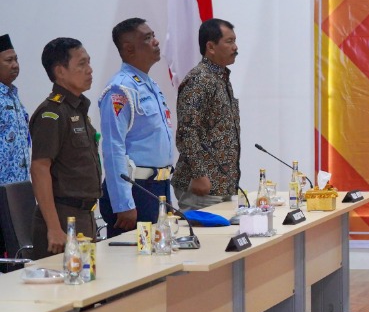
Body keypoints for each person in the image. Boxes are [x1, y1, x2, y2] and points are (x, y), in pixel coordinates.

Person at [98, 18, 175, 237]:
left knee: (162, 252)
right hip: (136, 190)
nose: (156, 42)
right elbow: (113, 148)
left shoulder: (149, 85)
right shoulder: (120, 89)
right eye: (147, 38)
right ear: (129, 48)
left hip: (158, 187)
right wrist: (123, 202)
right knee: (133, 257)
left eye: (153, 36)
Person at [27, 38, 101, 257]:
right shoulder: (52, 114)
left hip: (84, 217)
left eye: (89, 62)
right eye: (82, 64)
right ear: (60, 71)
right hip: (62, 220)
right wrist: (53, 228)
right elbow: (39, 169)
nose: (89, 70)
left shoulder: (77, 109)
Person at [174, 18, 241, 211]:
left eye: (235, 41)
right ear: (210, 47)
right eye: (229, 41)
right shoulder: (200, 79)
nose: (235, 47)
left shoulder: (220, 77)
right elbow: (187, 131)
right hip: (202, 188)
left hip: (221, 185)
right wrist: (199, 174)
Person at [0, 33, 31, 187]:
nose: (15, 65)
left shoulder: (13, 95)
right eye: (9, 60)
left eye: (16, 59)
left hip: (20, 185)